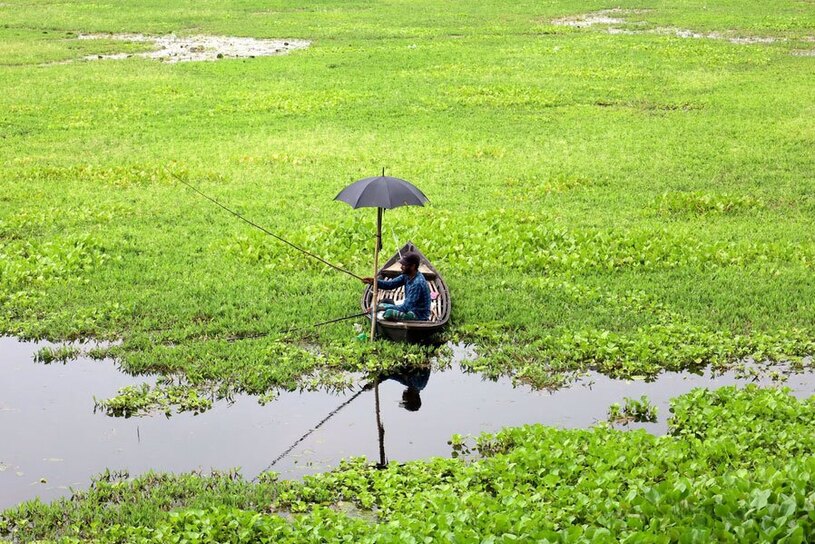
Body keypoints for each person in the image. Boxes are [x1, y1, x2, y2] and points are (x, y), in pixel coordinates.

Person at [362, 252, 431, 321]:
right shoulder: (407, 275)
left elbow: (405, 308)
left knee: (388, 313)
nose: (401, 267)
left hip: (418, 315)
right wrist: (374, 282)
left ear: (413, 266)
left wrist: (381, 308)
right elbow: (390, 284)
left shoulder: (417, 283)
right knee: (385, 302)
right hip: (410, 307)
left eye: (404, 265)